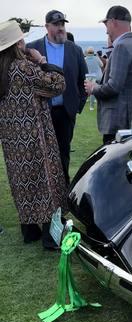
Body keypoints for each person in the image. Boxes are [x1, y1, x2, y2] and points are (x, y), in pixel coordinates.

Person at [0, 20, 67, 249]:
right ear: (17, 42)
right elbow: (56, 85)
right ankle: (51, 238)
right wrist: (42, 61)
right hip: (37, 138)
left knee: (22, 182)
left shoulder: (2, 70)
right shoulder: (24, 67)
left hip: (11, 141)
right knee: (47, 183)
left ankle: (29, 231)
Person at [27, 10, 88, 184]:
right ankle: (44, 189)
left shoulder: (75, 49)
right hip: (41, 112)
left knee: (63, 152)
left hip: (65, 112)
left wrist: (76, 106)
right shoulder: (33, 48)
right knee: (41, 153)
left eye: (62, 24)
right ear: (46, 27)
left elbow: (83, 80)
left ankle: (63, 189)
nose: (61, 28)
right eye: (56, 24)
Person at [84, 5, 132, 144]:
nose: (106, 31)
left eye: (106, 25)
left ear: (113, 22)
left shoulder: (122, 47)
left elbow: (113, 87)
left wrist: (93, 88)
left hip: (117, 122)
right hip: (130, 119)